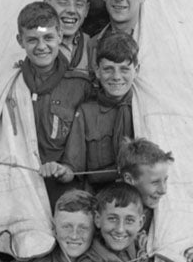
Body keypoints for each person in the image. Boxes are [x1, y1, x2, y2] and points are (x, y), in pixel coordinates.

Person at [17, 1, 94, 206]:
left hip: (64, 191)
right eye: (32, 40)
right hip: (19, 188)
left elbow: (83, 146)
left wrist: (64, 170)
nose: (41, 47)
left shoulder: (80, 87)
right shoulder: (13, 85)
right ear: (20, 41)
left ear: (60, 36)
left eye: (48, 37)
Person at [45, 32, 140, 190]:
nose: (116, 77)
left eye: (124, 69)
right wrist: (61, 171)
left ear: (136, 69)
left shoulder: (142, 108)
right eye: (108, 69)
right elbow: (73, 168)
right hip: (99, 197)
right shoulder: (86, 112)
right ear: (97, 70)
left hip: (136, 197)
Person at [117, 138, 174, 234]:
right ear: (129, 179)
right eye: (155, 182)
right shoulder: (112, 211)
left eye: (165, 180)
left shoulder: (159, 211)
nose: (163, 190)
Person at [46, 0, 92, 75]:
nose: (71, 10)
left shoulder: (92, 46)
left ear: (86, 10)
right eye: (63, 3)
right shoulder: (34, 44)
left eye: (79, 4)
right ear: (47, 6)